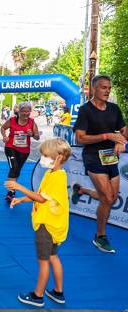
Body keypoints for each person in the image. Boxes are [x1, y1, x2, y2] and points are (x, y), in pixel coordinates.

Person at [5, 138, 71, 308]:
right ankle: (58, 292)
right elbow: (42, 195)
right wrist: (22, 200)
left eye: (46, 155)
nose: (43, 158)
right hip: (53, 225)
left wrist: (19, 187)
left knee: (43, 261)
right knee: (53, 256)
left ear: (59, 157)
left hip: (47, 226)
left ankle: (37, 296)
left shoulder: (57, 177)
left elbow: (41, 199)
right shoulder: (53, 174)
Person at [71, 75, 127, 253]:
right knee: (109, 198)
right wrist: (107, 136)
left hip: (110, 156)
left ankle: (82, 190)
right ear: (94, 89)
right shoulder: (86, 110)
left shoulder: (114, 109)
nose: (107, 90)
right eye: (103, 87)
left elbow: (124, 131)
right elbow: (79, 138)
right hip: (93, 157)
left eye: (109, 87)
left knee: (108, 198)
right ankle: (100, 236)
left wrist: (121, 141)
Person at [1, 102, 40, 202]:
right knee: (13, 167)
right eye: (23, 111)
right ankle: (11, 192)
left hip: (24, 150)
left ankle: (12, 189)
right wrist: (4, 137)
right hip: (11, 147)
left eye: (28, 111)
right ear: (19, 111)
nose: (26, 113)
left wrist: (31, 134)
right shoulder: (13, 120)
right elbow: (3, 128)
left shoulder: (32, 122)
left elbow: (37, 137)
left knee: (17, 170)